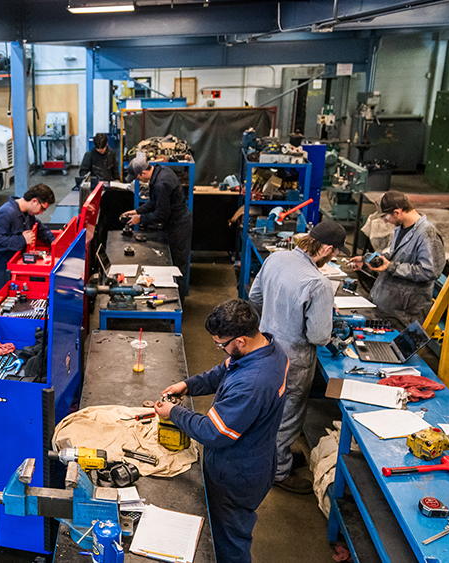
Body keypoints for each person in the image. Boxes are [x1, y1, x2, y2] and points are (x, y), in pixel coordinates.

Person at [154, 299, 288, 563]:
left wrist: (174, 413)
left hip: (237, 474)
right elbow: (225, 370)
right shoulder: (268, 348)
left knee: (230, 542)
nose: (220, 349)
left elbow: (214, 432)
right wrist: (188, 385)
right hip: (255, 456)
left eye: (221, 344)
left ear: (240, 341)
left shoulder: (253, 382)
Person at [248, 221, 347, 495]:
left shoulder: (276, 258)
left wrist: (278, 316)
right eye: (334, 253)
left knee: (270, 408)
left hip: (265, 348)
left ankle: (276, 455)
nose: (332, 258)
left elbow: (255, 296)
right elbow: (318, 336)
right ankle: (279, 471)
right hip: (294, 359)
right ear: (326, 248)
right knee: (288, 414)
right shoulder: (318, 283)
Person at [350, 191, 445, 326]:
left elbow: (430, 271)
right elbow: (396, 257)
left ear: (397, 212)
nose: (385, 221)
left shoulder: (427, 234)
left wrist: (391, 267)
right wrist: (367, 260)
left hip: (405, 314)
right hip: (388, 309)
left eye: (385, 216)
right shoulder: (401, 228)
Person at [119, 154, 192, 290]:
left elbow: (161, 214)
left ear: (143, 172)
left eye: (138, 178)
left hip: (179, 227)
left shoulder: (160, 183)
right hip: (173, 224)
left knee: (177, 268)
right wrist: (136, 211)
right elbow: (154, 202)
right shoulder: (159, 171)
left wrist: (140, 218)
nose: (139, 180)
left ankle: (179, 301)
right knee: (171, 265)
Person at [0, 184, 56, 301]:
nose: (41, 213)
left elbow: (41, 229)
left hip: (13, 269)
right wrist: (22, 239)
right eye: (42, 209)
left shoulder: (27, 214)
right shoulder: (6, 213)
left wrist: (55, 242)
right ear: (34, 201)